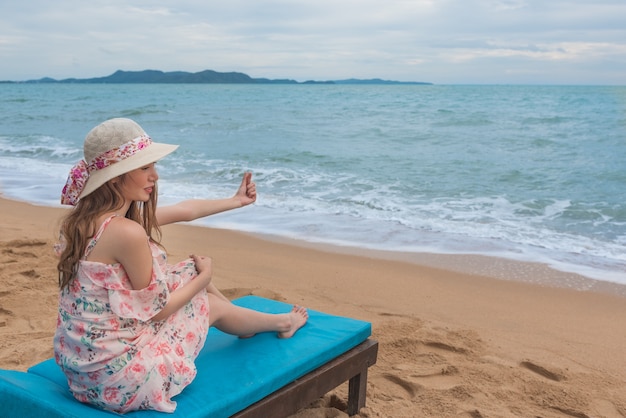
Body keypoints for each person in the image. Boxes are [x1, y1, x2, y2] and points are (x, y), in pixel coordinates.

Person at [53, 118, 308, 413]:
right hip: (122, 380)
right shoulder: (127, 233)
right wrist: (205, 277)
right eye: (145, 168)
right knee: (210, 301)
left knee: (185, 270)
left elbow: (186, 210)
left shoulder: (81, 222)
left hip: (83, 370)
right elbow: (158, 310)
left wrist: (236, 201)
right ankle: (283, 323)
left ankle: (244, 325)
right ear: (115, 177)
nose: (155, 176)